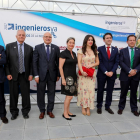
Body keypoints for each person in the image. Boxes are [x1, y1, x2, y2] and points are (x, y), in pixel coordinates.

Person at [5, 29, 33, 120]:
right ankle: (14, 112)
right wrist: (8, 73)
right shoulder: (9, 46)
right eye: (20, 35)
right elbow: (7, 62)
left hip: (25, 75)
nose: (21, 36)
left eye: (23, 35)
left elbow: (31, 63)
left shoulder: (29, 48)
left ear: (25, 37)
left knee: (25, 95)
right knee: (13, 94)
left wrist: (31, 74)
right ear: (16, 36)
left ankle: (25, 111)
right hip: (13, 75)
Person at [33, 32, 60, 119]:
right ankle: (42, 110)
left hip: (52, 75)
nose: (48, 38)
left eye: (50, 37)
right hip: (41, 75)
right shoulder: (37, 47)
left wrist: (58, 74)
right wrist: (36, 75)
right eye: (46, 37)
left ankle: (50, 110)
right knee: (40, 94)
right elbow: (34, 62)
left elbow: (58, 62)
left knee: (51, 93)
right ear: (43, 38)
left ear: (51, 38)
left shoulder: (55, 48)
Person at [97, 33, 119, 114]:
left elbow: (117, 62)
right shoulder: (99, 49)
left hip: (112, 74)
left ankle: (107, 106)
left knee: (110, 91)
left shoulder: (116, 50)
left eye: (110, 38)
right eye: (107, 38)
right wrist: (106, 72)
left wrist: (112, 71)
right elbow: (100, 62)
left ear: (111, 39)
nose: (109, 39)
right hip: (102, 74)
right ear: (104, 40)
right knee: (100, 90)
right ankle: (99, 106)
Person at [118, 35, 140, 117]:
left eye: (133, 40)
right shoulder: (122, 51)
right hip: (125, 75)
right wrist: (129, 71)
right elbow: (121, 62)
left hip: (136, 75)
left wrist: (135, 71)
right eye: (130, 40)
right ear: (127, 42)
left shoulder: (139, 50)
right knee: (123, 92)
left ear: (135, 41)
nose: (132, 41)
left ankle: (134, 109)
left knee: (133, 93)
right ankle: (121, 107)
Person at [77, 35, 99, 116]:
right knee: (83, 90)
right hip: (83, 74)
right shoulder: (81, 51)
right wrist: (82, 71)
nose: (90, 41)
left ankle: (88, 107)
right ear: (86, 40)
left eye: (92, 40)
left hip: (91, 74)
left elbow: (97, 62)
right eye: (89, 40)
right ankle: (83, 106)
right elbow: (79, 62)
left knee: (90, 91)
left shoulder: (95, 51)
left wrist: (91, 65)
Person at [59, 37, 77, 120]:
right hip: (67, 78)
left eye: (73, 43)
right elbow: (60, 67)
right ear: (67, 43)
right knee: (68, 96)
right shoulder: (63, 53)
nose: (71, 44)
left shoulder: (74, 53)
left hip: (73, 77)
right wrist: (63, 79)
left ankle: (68, 111)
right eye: (70, 42)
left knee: (70, 96)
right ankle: (65, 113)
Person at [0, 45, 8, 124]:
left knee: (1, 99)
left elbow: (3, 61)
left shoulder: (1, 48)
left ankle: (3, 115)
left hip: (0, 78)